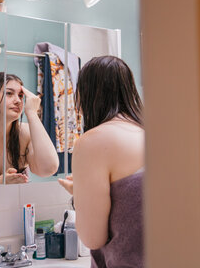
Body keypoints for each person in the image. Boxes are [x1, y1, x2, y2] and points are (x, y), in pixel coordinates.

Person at [58, 56, 145, 268]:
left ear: (86, 95)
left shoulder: (93, 142)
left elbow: (92, 238)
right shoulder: (152, 133)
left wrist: (79, 193)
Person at [0, 72, 59, 185]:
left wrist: (32, 114)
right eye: (9, 93)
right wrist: (1, 181)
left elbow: (48, 168)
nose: (17, 100)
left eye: (21, 96)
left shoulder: (25, 133)